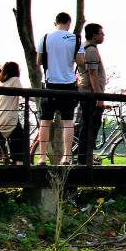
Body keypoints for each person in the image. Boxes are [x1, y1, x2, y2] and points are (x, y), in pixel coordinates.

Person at [35, 12, 81, 165]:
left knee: (45, 122)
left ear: (55, 22)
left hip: (50, 84)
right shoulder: (75, 39)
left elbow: (39, 60)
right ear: (69, 22)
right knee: (68, 122)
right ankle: (66, 157)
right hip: (68, 85)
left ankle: (41, 157)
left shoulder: (46, 37)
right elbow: (80, 62)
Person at [75, 22, 108, 165]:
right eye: (102, 33)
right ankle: (85, 159)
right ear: (95, 35)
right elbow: (93, 74)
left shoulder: (85, 47)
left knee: (87, 126)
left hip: (87, 92)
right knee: (90, 126)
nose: (103, 36)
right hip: (91, 94)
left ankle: (84, 157)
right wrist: (99, 97)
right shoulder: (91, 50)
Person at [0, 61, 27, 163]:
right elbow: (24, 93)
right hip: (8, 118)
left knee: (13, 137)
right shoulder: (15, 80)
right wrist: (37, 98)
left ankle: (12, 160)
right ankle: (18, 164)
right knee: (20, 140)